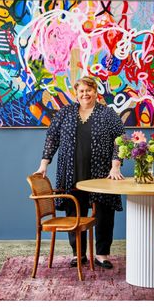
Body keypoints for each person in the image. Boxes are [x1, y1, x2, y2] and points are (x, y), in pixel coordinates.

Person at [35, 76, 125, 269]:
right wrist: (44, 164)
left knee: (104, 213)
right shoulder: (65, 113)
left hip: (101, 174)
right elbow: (52, 138)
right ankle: (78, 254)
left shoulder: (107, 114)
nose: (85, 94)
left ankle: (102, 254)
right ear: (76, 94)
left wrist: (115, 165)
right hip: (71, 172)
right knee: (74, 212)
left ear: (95, 92)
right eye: (81, 91)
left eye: (89, 90)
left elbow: (121, 139)